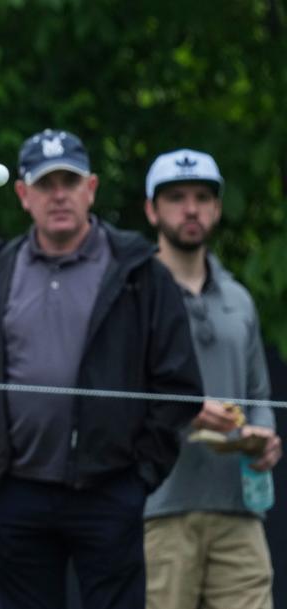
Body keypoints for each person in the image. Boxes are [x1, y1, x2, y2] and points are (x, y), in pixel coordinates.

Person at [0, 128, 203, 609]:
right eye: (46, 184)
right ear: (24, 195)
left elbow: (178, 383)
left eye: (69, 182)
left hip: (108, 491)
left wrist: (140, 477)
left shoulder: (139, 272)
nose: (59, 195)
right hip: (15, 493)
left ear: (91, 189)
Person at [142, 148, 282, 609]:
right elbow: (112, 397)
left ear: (217, 209)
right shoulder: (133, 293)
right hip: (159, 509)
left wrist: (265, 434)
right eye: (176, 197)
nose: (191, 208)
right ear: (151, 209)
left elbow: (259, 393)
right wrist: (185, 409)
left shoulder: (239, 299)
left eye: (203, 197)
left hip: (238, 509)